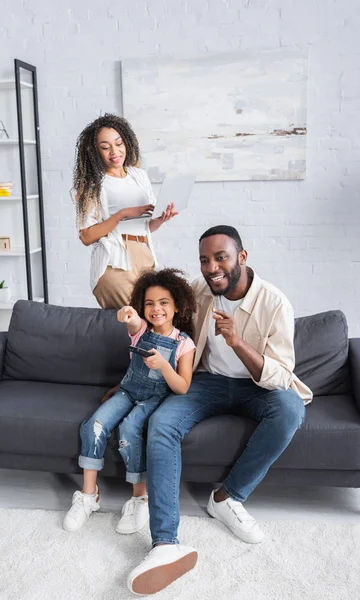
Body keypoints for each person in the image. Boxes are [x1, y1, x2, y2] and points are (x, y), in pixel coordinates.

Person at [127, 225, 313, 596]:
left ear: (242, 258)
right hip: (207, 382)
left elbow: (280, 374)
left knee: (291, 409)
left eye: (221, 258)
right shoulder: (200, 291)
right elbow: (160, 314)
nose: (212, 268)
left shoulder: (274, 303)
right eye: (204, 260)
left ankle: (227, 498)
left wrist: (236, 341)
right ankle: (165, 544)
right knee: (162, 423)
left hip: (256, 386)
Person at [63, 268, 197, 535]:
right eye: (149, 303)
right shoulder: (141, 329)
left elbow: (182, 386)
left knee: (130, 431)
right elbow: (134, 322)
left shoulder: (184, 344)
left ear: (177, 307)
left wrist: (164, 366)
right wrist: (129, 315)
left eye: (163, 303)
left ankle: (140, 499)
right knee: (93, 426)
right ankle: (89, 495)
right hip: (127, 392)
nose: (155, 309)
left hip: (155, 399)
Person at [73, 113, 178, 309]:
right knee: (136, 319)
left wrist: (161, 219)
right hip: (114, 261)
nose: (114, 151)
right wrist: (122, 214)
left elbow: (147, 226)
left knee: (157, 317)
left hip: (145, 254)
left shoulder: (138, 176)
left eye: (119, 143)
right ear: (95, 152)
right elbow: (86, 237)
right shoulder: (93, 184)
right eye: (105, 147)